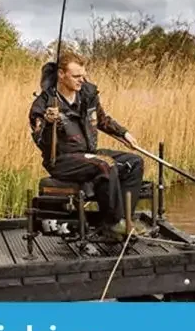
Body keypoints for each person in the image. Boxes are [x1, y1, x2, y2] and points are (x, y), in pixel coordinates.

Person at [29, 52, 145, 238]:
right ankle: (114, 223)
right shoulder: (43, 105)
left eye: (83, 75)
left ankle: (123, 221)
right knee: (104, 164)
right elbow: (40, 139)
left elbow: (102, 119)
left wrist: (123, 133)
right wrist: (48, 122)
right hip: (62, 160)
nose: (81, 80)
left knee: (134, 163)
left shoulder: (87, 95)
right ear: (61, 74)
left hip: (89, 154)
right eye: (76, 76)